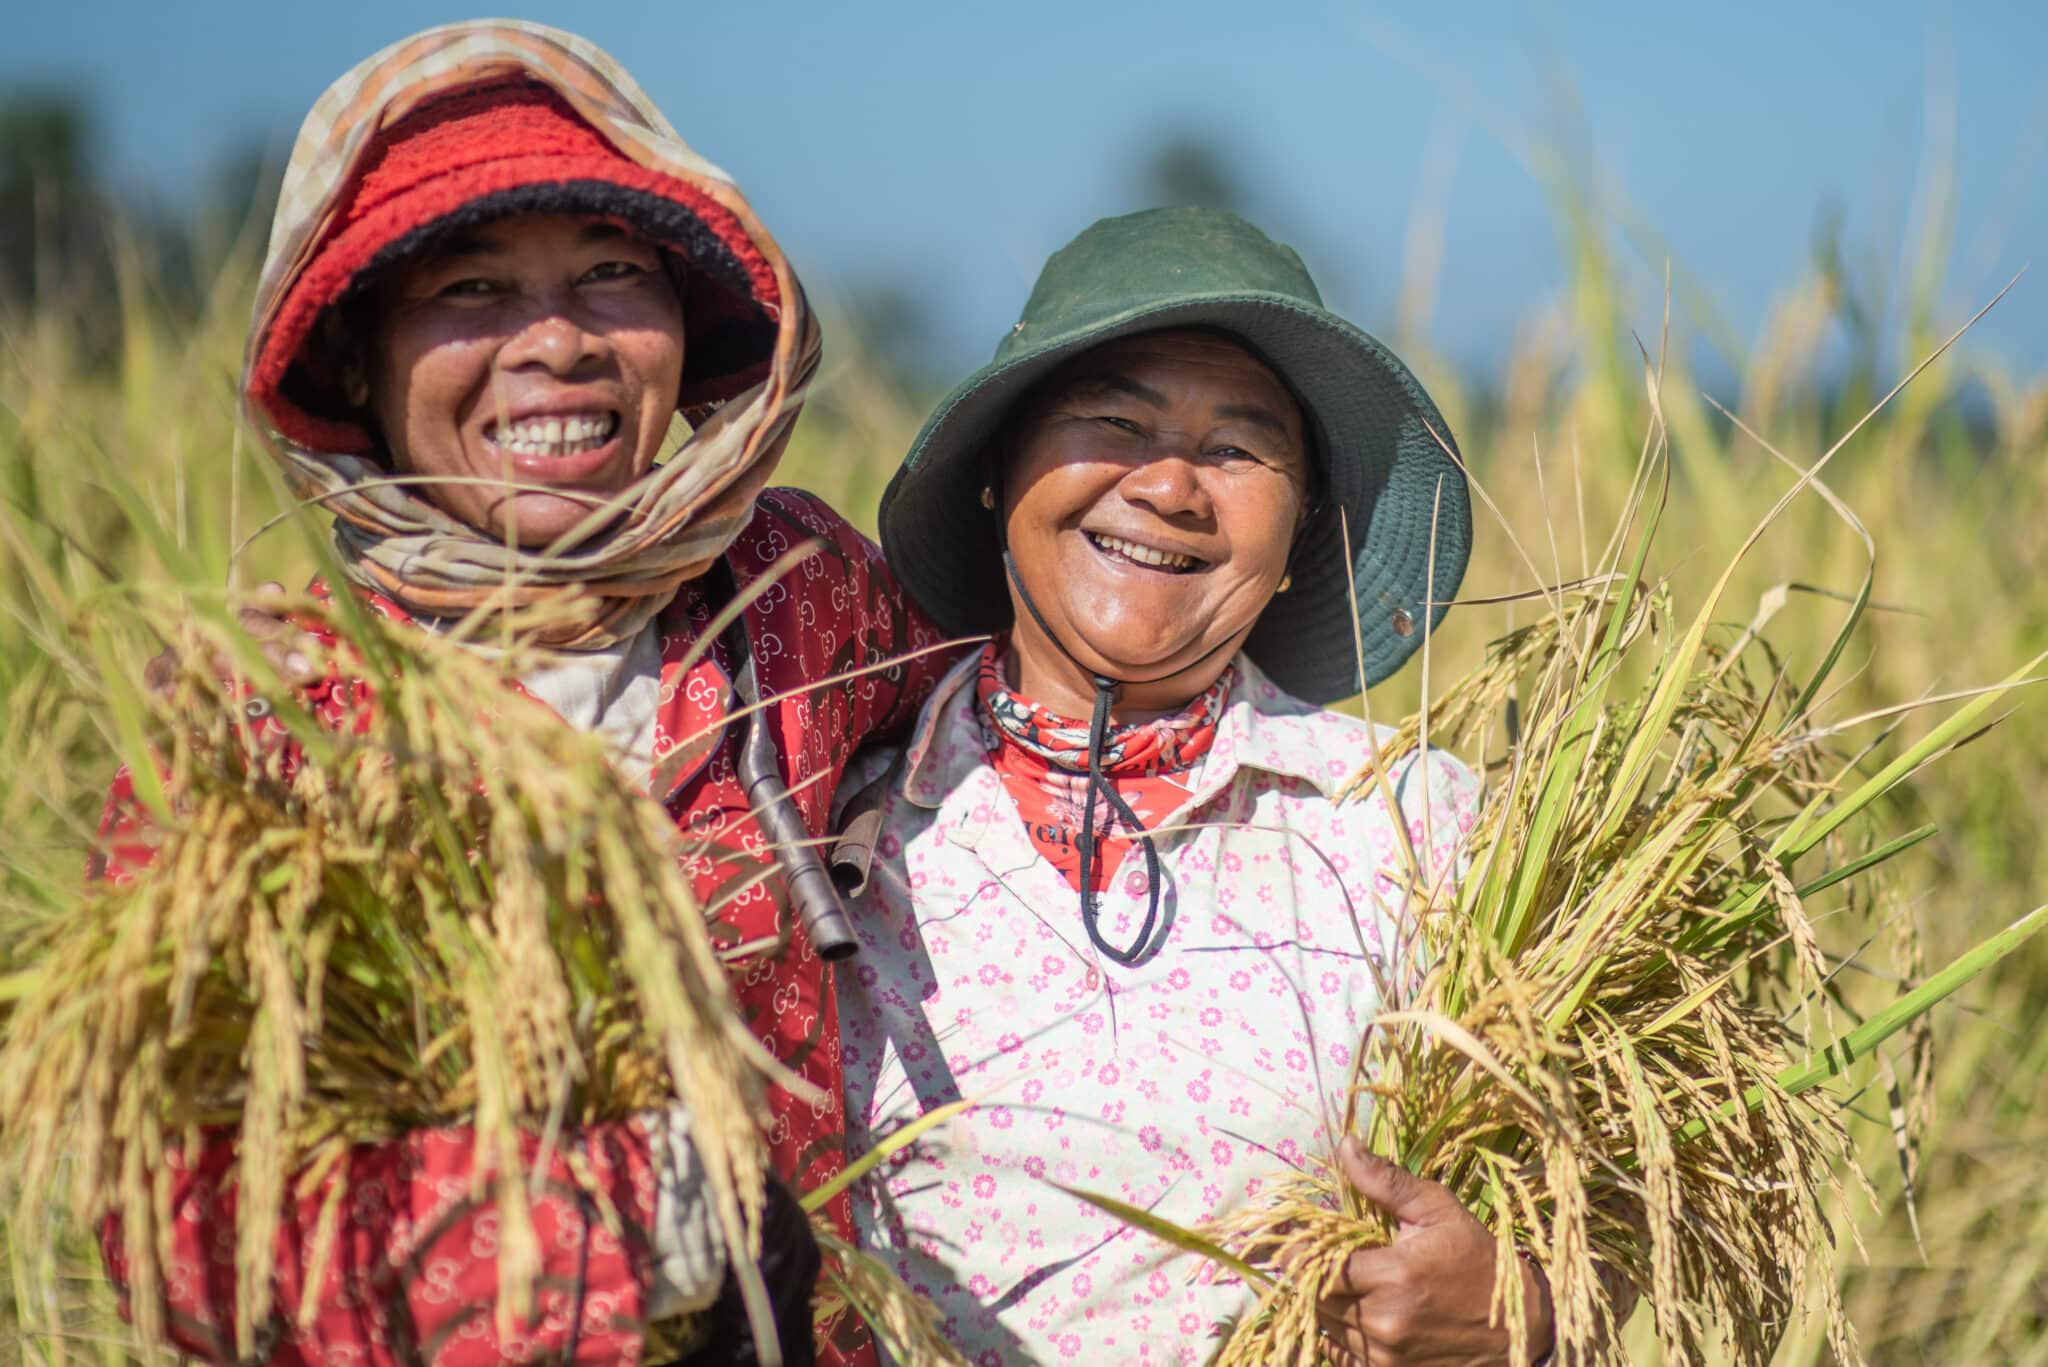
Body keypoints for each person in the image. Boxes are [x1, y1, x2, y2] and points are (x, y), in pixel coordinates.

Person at [94, 20, 950, 1367]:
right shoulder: (262, 721)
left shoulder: (793, 591)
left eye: (614, 274)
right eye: (471, 290)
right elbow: (169, 1222)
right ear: (359, 366)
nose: (559, 341)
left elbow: (1025, 713)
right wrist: (618, 1236)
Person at [833, 207, 1556, 1364]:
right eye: (1112, 421)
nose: (1169, 485)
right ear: (994, 476)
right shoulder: (833, 819)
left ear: (1300, 526)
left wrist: (1524, 1309)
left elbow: (1615, 1224)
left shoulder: (1423, 830)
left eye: (1236, 450)